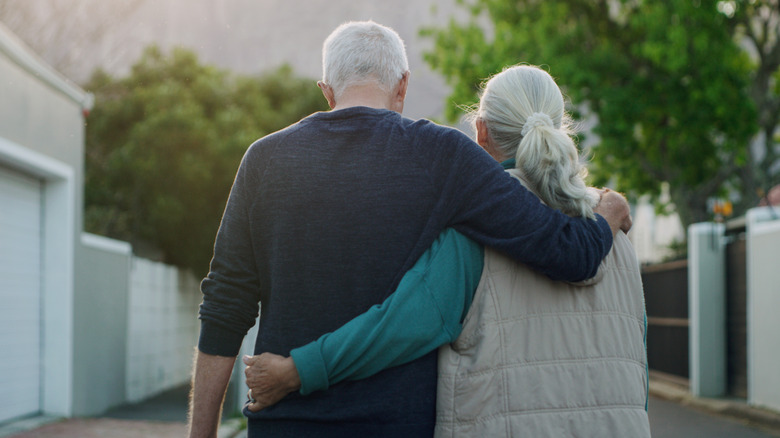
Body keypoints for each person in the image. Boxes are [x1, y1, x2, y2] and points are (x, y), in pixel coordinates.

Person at [188, 20, 630, 438]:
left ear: (326, 91)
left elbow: (225, 306)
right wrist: (609, 210)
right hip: (398, 425)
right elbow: (571, 253)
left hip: (286, 423)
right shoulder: (444, 155)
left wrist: (200, 434)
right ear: (403, 85)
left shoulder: (263, 160)